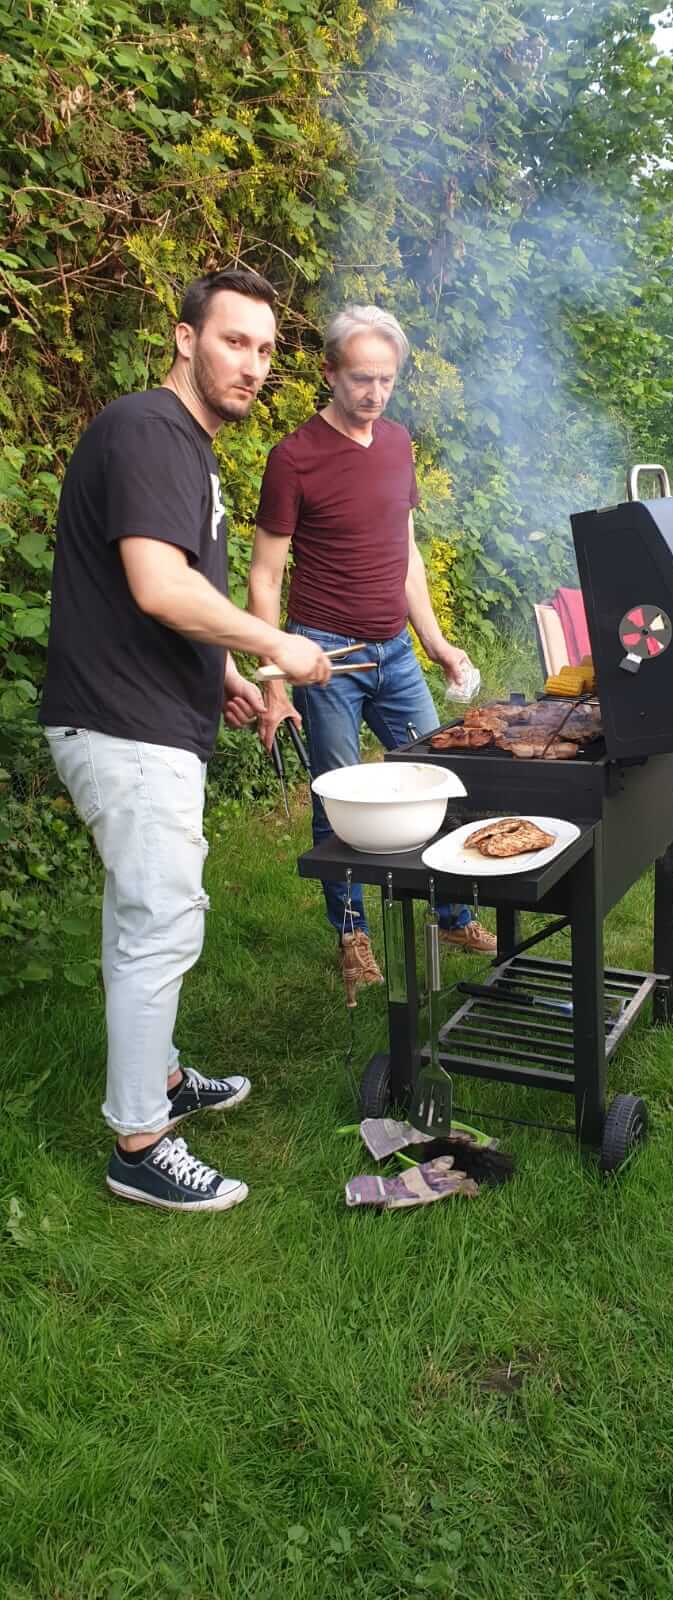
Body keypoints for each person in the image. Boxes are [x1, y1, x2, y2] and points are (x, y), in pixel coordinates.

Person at [39, 268, 332, 1212]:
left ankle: (160, 1077)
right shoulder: (151, 431)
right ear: (184, 338)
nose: (250, 365)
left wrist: (228, 682)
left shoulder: (184, 448)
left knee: (147, 915)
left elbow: (175, 606)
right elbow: (159, 589)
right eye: (233, 341)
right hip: (121, 726)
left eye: (264, 351)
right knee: (160, 925)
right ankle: (137, 1141)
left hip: (146, 716)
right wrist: (278, 645)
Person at [249, 304, 496, 994]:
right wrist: (273, 683)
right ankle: (352, 936)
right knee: (338, 802)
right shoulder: (292, 459)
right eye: (361, 378)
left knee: (440, 778)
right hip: (323, 653)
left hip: (392, 652)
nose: (374, 393)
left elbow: (405, 553)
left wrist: (436, 641)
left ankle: (448, 911)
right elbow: (265, 575)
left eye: (386, 379)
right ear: (328, 373)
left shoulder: (395, 442)